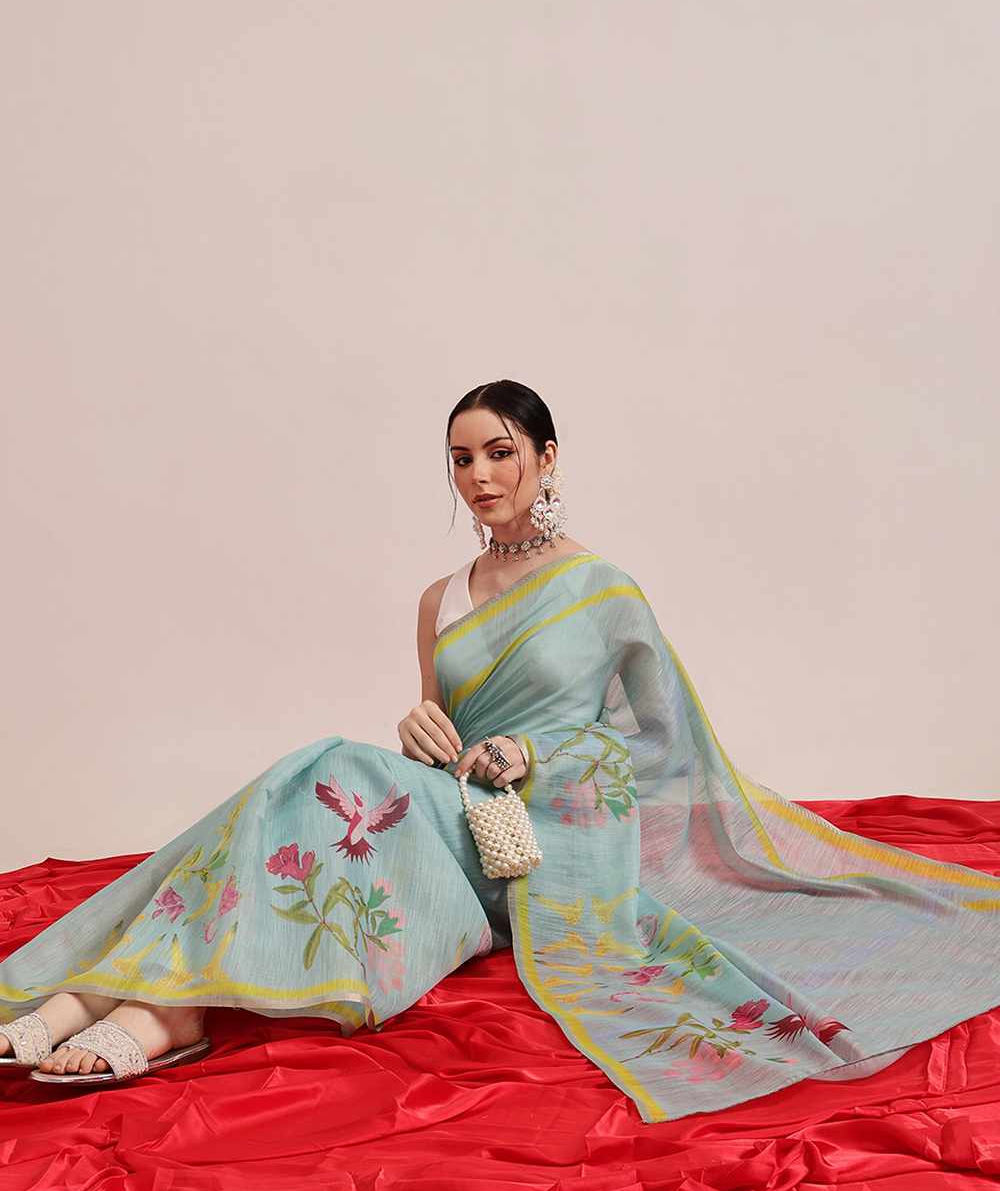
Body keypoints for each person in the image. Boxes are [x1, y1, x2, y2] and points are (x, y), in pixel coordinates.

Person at [2, 380, 999, 1125]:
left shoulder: (601, 589)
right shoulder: (439, 599)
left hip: (535, 842)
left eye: (498, 452)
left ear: (546, 458)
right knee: (319, 771)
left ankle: (144, 1007)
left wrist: (538, 750)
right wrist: (418, 728)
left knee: (324, 767)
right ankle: (125, 996)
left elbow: (661, 746)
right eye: (459, 459)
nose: (477, 476)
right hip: (448, 814)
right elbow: (438, 734)